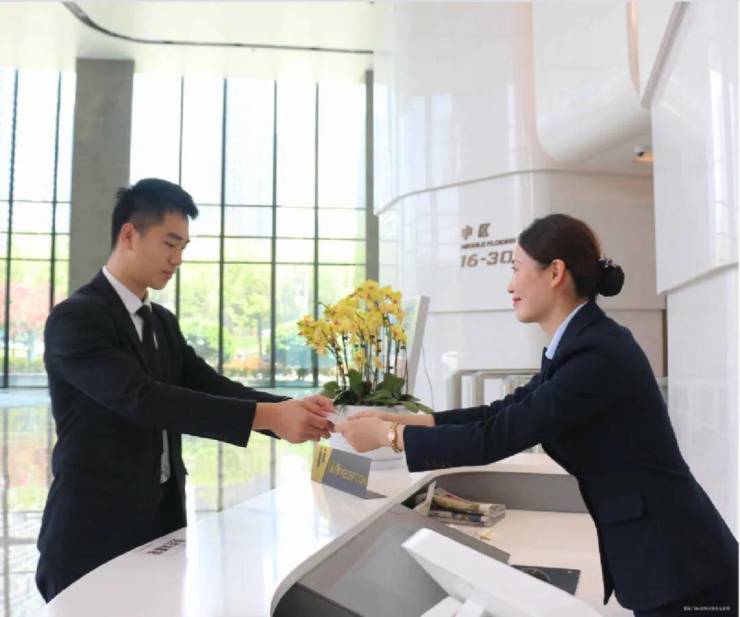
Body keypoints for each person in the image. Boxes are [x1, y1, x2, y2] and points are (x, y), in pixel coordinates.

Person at [338, 214, 738, 617]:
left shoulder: (596, 354)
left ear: (555, 273)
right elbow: (500, 413)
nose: (509, 285)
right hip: (666, 560)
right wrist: (400, 421)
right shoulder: (578, 344)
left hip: (682, 565)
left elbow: (498, 437)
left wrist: (388, 438)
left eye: (515, 269)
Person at [36, 178, 334, 602]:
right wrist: (271, 417)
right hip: (92, 534)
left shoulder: (161, 322)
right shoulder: (76, 319)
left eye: (183, 248)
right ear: (129, 235)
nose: (177, 259)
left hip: (162, 524)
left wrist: (293, 408)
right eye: (169, 243)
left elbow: (210, 386)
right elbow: (142, 399)